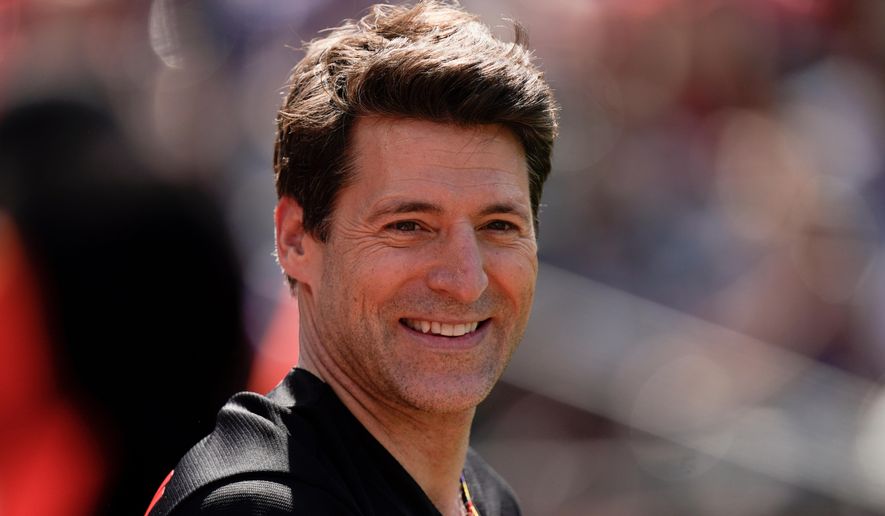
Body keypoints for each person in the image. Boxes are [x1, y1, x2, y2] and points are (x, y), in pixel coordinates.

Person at [147, 1, 557, 515]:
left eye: (498, 226)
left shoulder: (486, 496)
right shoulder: (259, 507)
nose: (466, 279)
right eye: (408, 226)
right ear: (295, 240)